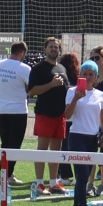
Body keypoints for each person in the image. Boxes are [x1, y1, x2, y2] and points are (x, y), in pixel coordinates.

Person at [64, 60, 103, 206]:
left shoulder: (99, 95)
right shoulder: (72, 91)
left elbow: (102, 118)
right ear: (80, 76)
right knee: (82, 175)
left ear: (96, 77)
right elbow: (66, 116)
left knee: (85, 176)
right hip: (77, 136)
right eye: (85, 74)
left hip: (92, 138)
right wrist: (76, 98)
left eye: (91, 74)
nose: (88, 76)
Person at [28, 37, 70, 197]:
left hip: (61, 115)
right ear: (45, 49)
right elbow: (31, 91)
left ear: (59, 50)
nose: (54, 49)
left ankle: (53, 183)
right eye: (51, 47)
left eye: (56, 47)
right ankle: (40, 183)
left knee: (56, 150)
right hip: (45, 113)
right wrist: (51, 85)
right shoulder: (39, 68)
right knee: (42, 150)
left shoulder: (62, 67)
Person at [0, 38, 32, 200]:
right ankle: (7, 174)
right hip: (18, 110)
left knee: (5, 143)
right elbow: (31, 88)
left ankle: (5, 172)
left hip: (2, 110)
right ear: (22, 53)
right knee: (15, 145)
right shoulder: (25, 68)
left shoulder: (0, 64)